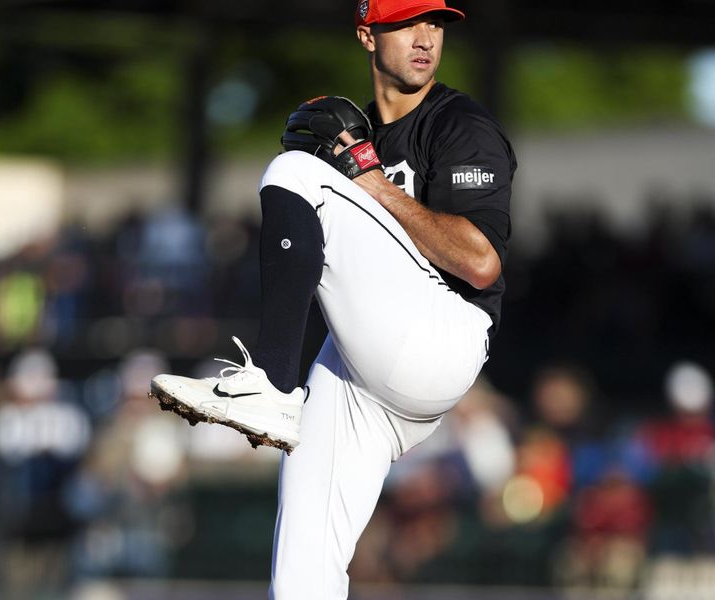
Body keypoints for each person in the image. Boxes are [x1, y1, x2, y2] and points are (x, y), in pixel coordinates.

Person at [150, 0, 516, 597]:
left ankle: (270, 383)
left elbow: (479, 263)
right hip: (361, 375)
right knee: (301, 575)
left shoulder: (459, 125)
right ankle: (277, 390)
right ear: (369, 35)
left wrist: (367, 180)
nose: (425, 37)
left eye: (436, 23)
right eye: (408, 21)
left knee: (295, 169)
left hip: (443, 334)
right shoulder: (361, 132)